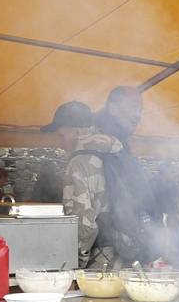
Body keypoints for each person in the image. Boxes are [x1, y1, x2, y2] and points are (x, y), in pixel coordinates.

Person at [62, 87, 163, 268]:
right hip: (131, 255)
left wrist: (73, 267)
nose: (138, 114)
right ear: (113, 109)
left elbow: (83, 223)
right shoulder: (119, 150)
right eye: (133, 107)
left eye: (140, 109)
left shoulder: (83, 158)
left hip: (101, 262)